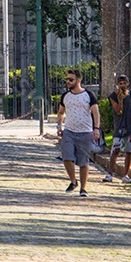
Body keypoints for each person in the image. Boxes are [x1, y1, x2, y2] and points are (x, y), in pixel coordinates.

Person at [56, 68, 100, 197]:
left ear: (78, 80)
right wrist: (59, 126)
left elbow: (96, 113)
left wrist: (96, 128)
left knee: (83, 161)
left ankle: (83, 188)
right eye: (67, 80)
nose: (68, 82)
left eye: (71, 79)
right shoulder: (65, 96)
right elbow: (60, 112)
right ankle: (73, 181)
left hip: (85, 132)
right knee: (67, 157)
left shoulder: (89, 95)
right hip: (69, 132)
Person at [103, 75, 131, 183]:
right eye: (120, 84)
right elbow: (118, 110)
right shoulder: (113, 96)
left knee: (129, 151)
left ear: (128, 83)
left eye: (124, 83)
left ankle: (126, 175)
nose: (123, 86)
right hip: (120, 126)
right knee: (116, 149)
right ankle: (110, 173)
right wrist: (120, 98)